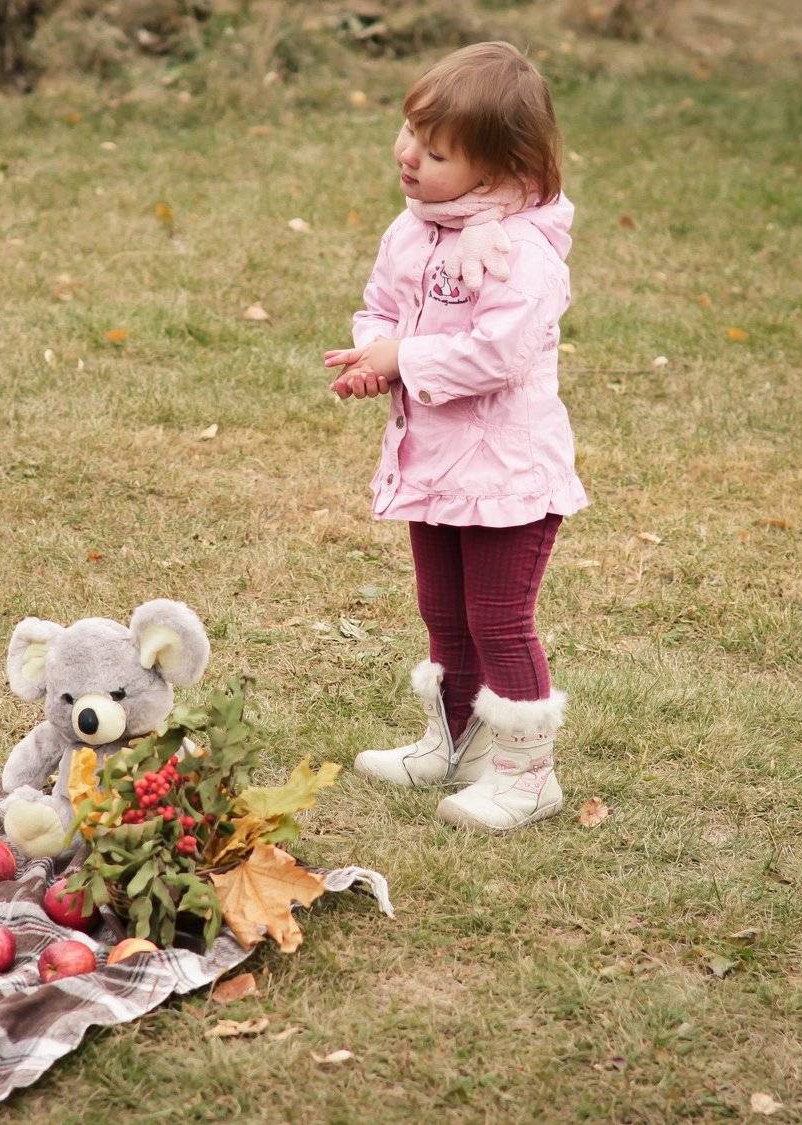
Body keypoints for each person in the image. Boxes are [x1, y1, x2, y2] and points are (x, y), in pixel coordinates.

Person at [325, 41, 587, 834]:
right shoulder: (414, 231)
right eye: (410, 132)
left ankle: (528, 775)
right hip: (436, 465)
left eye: (436, 152)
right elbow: (381, 306)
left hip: (507, 475)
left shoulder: (521, 253)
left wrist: (404, 358)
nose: (408, 155)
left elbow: (499, 354)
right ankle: (457, 744)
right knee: (443, 610)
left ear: (499, 169)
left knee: (498, 618)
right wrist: (373, 354)